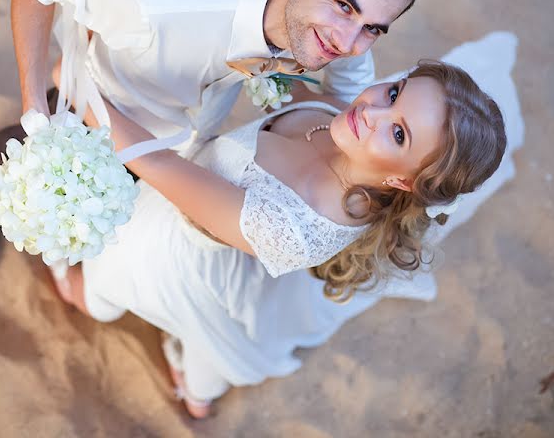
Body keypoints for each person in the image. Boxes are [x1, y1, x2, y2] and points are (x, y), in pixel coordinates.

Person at [0, 0, 427, 281]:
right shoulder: (160, 0)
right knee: (9, 154)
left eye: (373, 29)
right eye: (344, 7)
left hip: (185, 124)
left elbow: (352, 85)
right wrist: (34, 105)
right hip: (102, 94)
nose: (346, 44)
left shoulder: (325, 25)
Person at [47, 52, 511, 419]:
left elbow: (157, 164)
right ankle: (198, 390)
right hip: (218, 238)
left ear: (403, 183)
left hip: (176, 247)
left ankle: (190, 391)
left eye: (398, 134)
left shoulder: (290, 225)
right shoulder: (346, 115)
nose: (372, 110)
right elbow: (313, 65)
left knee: (100, 281)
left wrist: (84, 93)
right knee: (213, 335)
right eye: (395, 91)